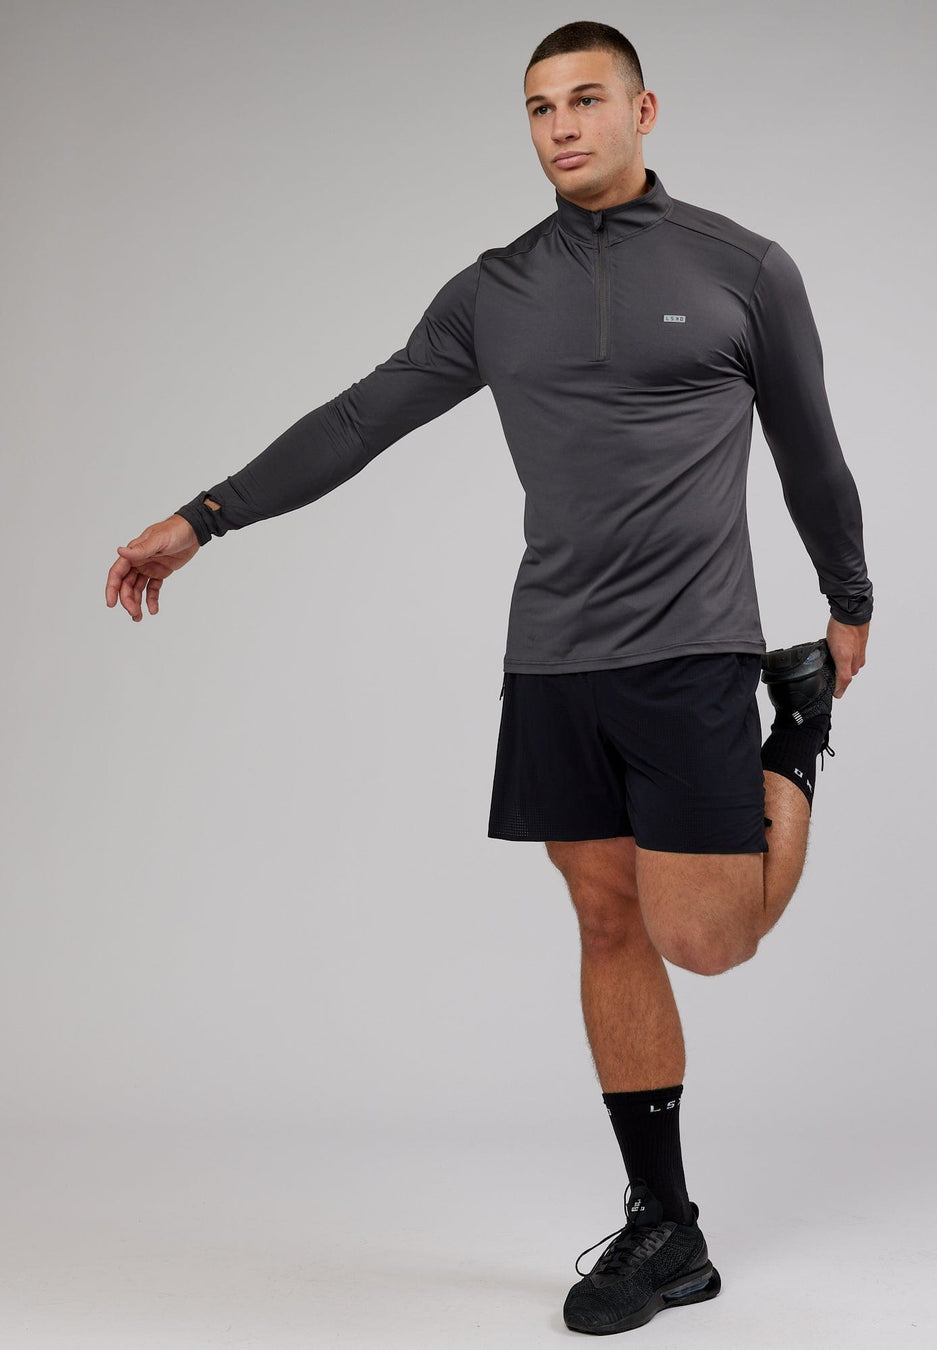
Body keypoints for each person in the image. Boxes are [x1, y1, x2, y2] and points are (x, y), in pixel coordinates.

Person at [105, 20, 872, 1337]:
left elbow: (810, 448)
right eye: (538, 107)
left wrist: (848, 597)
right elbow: (363, 415)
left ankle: (792, 738)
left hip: (694, 649)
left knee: (708, 939)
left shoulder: (743, 268)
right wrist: (205, 516)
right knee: (606, 919)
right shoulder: (496, 289)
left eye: (586, 99)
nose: (561, 125)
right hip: (555, 657)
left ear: (643, 111)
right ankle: (666, 1225)